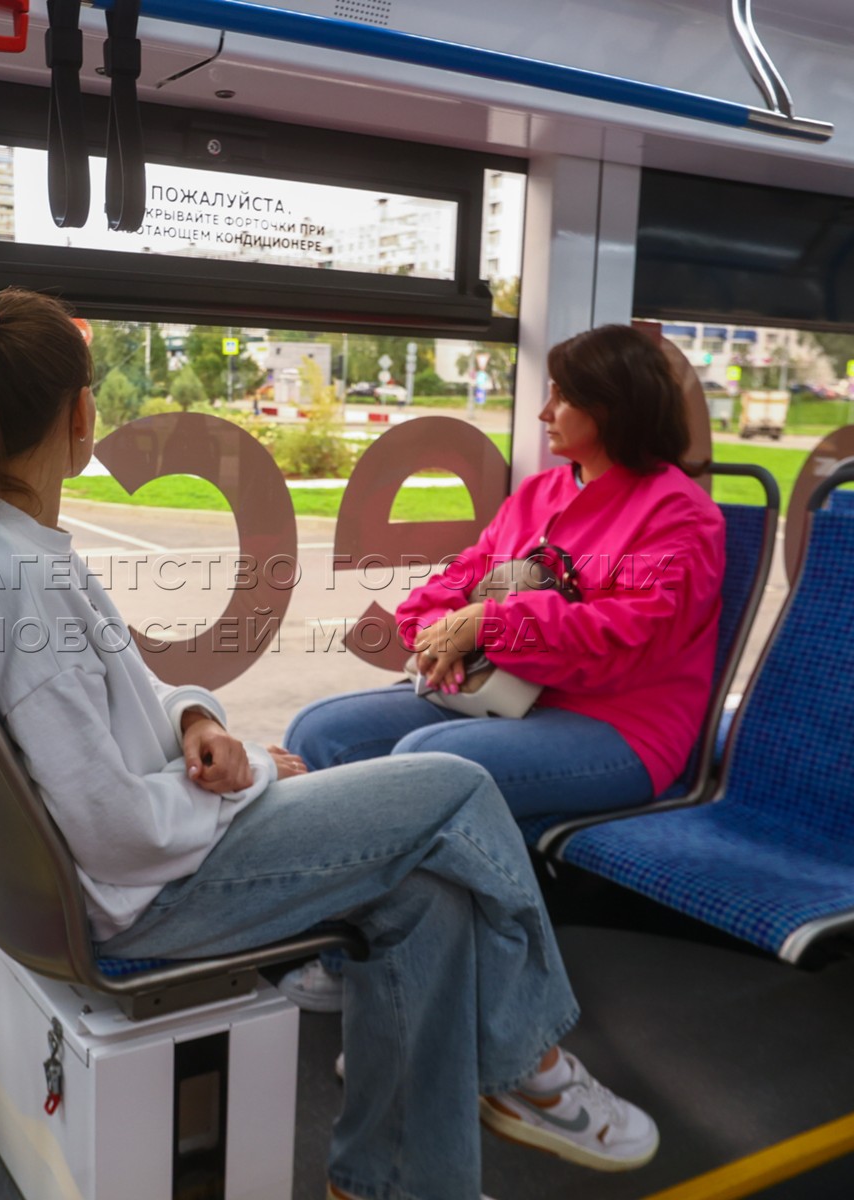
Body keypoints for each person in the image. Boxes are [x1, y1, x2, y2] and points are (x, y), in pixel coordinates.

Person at [0, 284, 660, 1199]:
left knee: (427, 898)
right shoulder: (20, 580)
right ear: (80, 414)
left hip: (153, 847)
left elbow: (128, 696)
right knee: (459, 786)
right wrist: (258, 777)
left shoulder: (5, 552)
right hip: (149, 887)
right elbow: (113, 829)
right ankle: (526, 1061)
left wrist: (197, 721)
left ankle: (391, 1182)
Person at [278, 324, 726, 1018]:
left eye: (562, 397)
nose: (544, 412)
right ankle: (349, 951)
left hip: (620, 724)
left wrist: (488, 626)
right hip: (508, 690)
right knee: (322, 732)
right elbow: (455, 583)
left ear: (613, 408)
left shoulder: (679, 515)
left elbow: (626, 639)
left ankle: (444, 988)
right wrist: (442, 633)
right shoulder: (540, 495)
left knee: (430, 761)